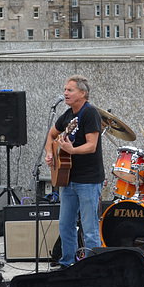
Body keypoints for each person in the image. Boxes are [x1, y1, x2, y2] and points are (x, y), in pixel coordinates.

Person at [45, 75, 104, 268]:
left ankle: (92, 267)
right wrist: (49, 154)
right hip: (68, 178)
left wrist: (72, 150)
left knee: (90, 227)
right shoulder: (68, 114)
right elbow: (51, 134)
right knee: (65, 225)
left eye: (70, 90)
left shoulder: (90, 113)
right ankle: (67, 264)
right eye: (64, 90)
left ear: (82, 93)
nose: (65, 93)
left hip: (88, 179)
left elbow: (91, 146)